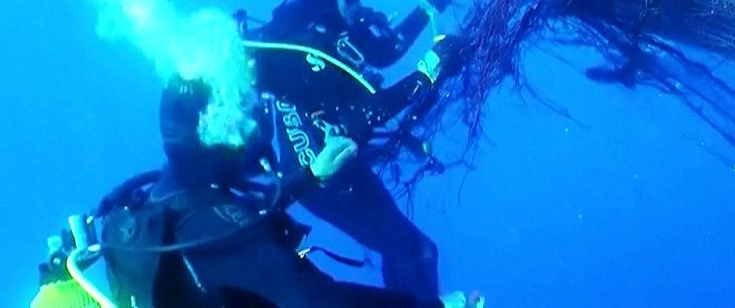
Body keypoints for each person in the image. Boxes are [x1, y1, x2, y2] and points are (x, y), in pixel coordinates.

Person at [32, 80, 442, 308]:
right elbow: (318, 302)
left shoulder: (146, 205)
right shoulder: (217, 229)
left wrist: (311, 176)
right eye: (247, 115)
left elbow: (219, 219)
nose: (259, 128)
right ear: (218, 134)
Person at [239, 0, 460, 305]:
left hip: (340, 167)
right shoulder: (308, 49)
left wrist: (425, 9)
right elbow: (360, 117)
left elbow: (383, 50)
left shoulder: (331, 27)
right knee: (415, 251)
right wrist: (428, 71)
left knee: (412, 250)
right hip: (324, 181)